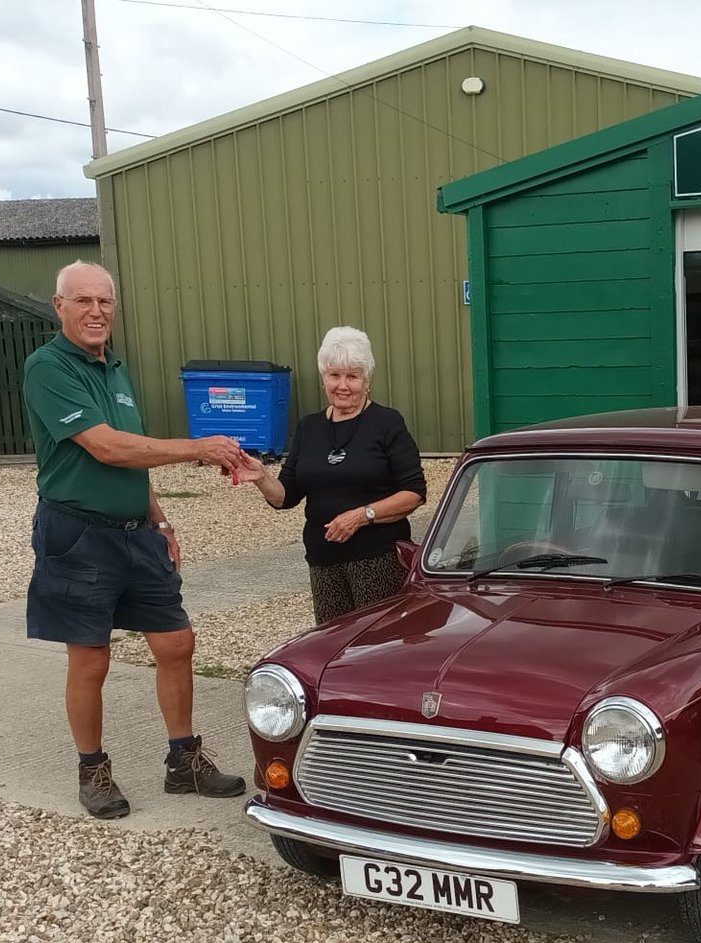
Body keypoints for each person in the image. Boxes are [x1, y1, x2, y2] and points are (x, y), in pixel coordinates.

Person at [23, 260, 247, 820]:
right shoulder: (48, 367)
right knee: (91, 657)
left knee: (176, 643)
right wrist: (199, 447)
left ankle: (183, 760)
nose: (96, 311)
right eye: (83, 301)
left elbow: (134, 456)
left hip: (135, 533)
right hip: (78, 534)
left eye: (105, 301)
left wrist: (160, 521)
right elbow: (107, 447)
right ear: (59, 306)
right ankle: (92, 769)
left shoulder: (115, 368)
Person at [236, 326, 426, 624]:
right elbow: (285, 497)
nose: (343, 385)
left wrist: (361, 516)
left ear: (367, 380)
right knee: (332, 642)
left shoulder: (387, 423)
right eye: (334, 375)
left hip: (378, 559)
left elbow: (414, 493)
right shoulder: (309, 427)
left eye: (353, 376)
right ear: (323, 377)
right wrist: (261, 476)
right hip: (323, 560)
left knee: (375, 641)